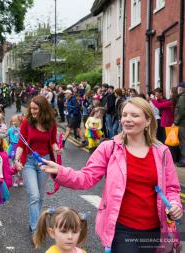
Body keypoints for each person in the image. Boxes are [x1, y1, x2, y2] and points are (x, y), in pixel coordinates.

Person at [40, 97, 183, 252]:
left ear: (148, 121)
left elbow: (171, 188)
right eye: (125, 115)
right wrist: (60, 171)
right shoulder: (109, 148)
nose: (127, 119)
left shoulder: (162, 152)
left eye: (134, 115)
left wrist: (175, 205)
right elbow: (86, 177)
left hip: (156, 231)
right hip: (122, 229)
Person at [14, 95, 59, 236]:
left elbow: (52, 142)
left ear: (43, 109)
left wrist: (57, 148)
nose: (32, 111)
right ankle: (35, 229)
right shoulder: (27, 123)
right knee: (34, 195)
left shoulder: (51, 123)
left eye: (35, 108)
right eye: (31, 108)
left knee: (40, 197)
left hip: (44, 162)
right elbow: (21, 144)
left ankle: (34, 221)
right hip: (29, 162)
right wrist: (16, 160)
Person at [8, 115, 23, 187]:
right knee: (13, 164)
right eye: (13, 121)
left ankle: (20, 178)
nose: (14, 122)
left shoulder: (22, 129)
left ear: (19, 121)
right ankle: (15, 180)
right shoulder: (10, 129)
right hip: (12, 147)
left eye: (15, 121)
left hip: (20, 147)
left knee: (20, 164)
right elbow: (4, 135)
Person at [174, 82, 185, 167]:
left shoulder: (182, 97)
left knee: (183, 142)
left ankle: (183, 161)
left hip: (182, 124)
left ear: (180, 89)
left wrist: (175, 122)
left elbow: (181, 111)